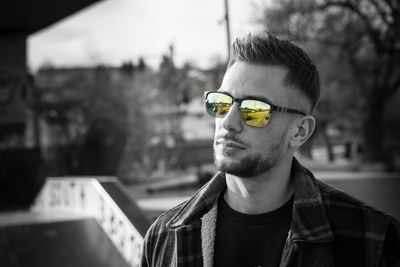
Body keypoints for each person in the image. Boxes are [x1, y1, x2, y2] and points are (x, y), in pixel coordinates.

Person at [140, 32, 400, 267]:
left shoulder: (374, 241)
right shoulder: (164, 237)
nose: (228, 122)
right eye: (221, 102)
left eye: (254, 109)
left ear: (300, 132)